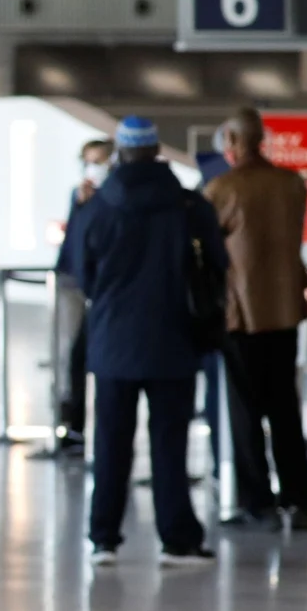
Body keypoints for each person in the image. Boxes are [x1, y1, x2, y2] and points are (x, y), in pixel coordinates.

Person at [77, 117, 223, 565]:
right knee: (170, 442)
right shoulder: (187, 205)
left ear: (120, 152)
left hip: (113, 341)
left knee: (111, 442)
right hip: (174, 339)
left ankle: (103, 537)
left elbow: (82, 274)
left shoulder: (97, 206)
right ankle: (177, 538)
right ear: (157, 149)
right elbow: (216, 266)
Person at [205, 107, 307, 532]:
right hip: (285, 309)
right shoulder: (292, 184)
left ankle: (258, 502)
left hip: (242, 315)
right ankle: (299, 498)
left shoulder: (223, 188)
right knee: (285, 408)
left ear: (233, 144)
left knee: (245, 411)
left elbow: (209, 246)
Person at [51, 139, 115, 455]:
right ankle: (70, 424)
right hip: (71, 281)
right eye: (89, 161)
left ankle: (90, 428)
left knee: (90, 354)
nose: (93, 167)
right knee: (69, 354)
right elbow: (73, 243)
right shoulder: (79, 197)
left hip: (103, 287)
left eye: (99, 161)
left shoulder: (116, 196)